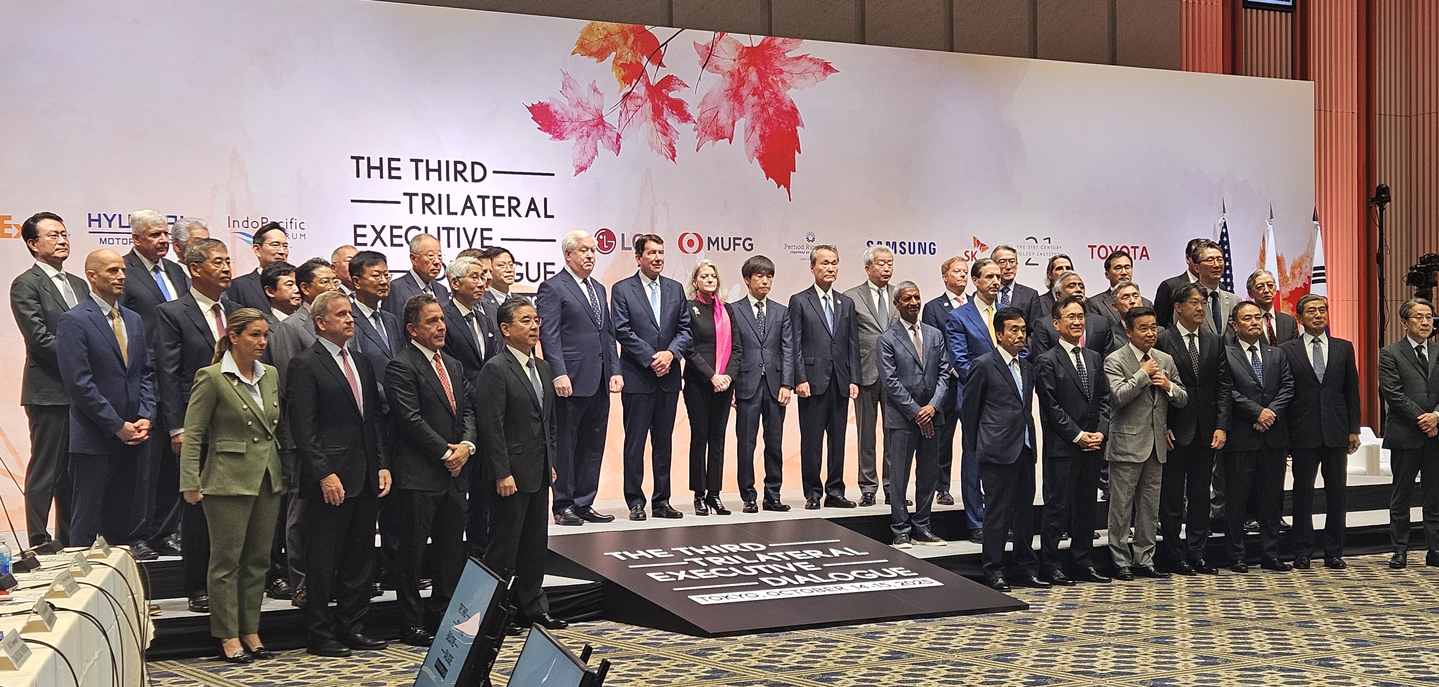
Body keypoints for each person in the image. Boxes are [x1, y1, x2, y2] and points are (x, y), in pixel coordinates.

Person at [287, 291, 391, 657]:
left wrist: (380, 463)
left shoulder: (361, 361)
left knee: (359, 557)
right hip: (329, 478)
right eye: (342, 314)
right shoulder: (305, 364)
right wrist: (324, 474)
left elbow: (373, 420)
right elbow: (304, 427)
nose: (350, 319)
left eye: (351, 313)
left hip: (364, 474)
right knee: (323, 558)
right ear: (321, 322)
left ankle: (352, 626)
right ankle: (319, 632)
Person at [177, 308, 283, 664]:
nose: (262, 342)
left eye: (265, 335)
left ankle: (250, 628)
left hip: (267, 477)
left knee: (258, 560)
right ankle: (227, 634)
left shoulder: (270, 375)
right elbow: (193, 435)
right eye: (254, 335)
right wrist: (190, 480)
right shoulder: (211, 377)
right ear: (233, 336)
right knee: (226, 562)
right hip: (226, 479)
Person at [385, 294, 476, 648]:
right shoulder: (401, 366)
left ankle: (443, 617)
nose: (441, 326)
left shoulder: (452, 364)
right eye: (432, 322)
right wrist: (445, 452)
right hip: (418, 475)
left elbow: (468, 410)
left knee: (451, 551)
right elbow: (409, 420)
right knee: (411, 554)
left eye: (442, 320)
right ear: (412, 329)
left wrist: (466, 447)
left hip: (455, 474)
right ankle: (411, 623)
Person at [157, 238, 241, 614]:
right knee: (198, 507)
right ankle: (198, 586)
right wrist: (178, 427)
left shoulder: (240, 312)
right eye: (217, 262)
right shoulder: (173, 313)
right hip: (199, 427)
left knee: (238, 509)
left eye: (228, 261)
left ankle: (235, 584)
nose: (226, 268)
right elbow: (169, 374)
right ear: (195, 269)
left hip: (239, 428)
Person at [478, 297, 567, 632]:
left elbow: (550, 423)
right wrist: (502, 471)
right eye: (526, 321)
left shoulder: (542, 367)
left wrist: (551, 461)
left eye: (536, 321)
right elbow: (491, 426)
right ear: (505, 328)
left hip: (538, 470)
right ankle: (494, 615)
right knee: (503, 548)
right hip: (510, 474)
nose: (534, 327)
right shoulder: (496, 368)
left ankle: (532, 607)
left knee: (534, 545)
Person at [57, 249, 156, 548]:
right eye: (112, 270)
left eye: (123, 270)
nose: (121, 276)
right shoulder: (74, 320)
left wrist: (145, 416)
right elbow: (79, 384)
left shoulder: (133, 319)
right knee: (86, 522)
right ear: (92, 276)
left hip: (134, 435)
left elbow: (146, 373)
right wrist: (116, 425)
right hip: (95, 438)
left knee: (122, 522)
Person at [263, 257, 338, 603]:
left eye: (335, 280)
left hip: (336, 438)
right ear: (306, 288)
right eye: (325, 281)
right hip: (300, 437)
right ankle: (301, 580)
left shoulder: (340, 325)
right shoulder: (292, 327)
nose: (333, 286)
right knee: (299, 513)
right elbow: (288, 387)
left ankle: (327, 577)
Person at [536, 231, 622, 525]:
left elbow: (607, 334)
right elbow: (549, 335)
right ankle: (563, 505)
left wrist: (615, 370)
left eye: (593, 251)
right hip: (569, 379)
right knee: (566, 443)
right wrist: (558, 371)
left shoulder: (598, 288)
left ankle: (585, 501)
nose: (590, 255)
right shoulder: (552, 288)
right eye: (584, 250)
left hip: (598, 378)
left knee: (593, 443)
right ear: (568, 255)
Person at [120, 210, 193, 560]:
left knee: (172, 463)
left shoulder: (177, 272)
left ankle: (166, 531)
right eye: (154, 235)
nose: (163, 240)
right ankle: (137, 535)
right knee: (145, 467)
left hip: (179, 379)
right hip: (145, 379)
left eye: (165, 234)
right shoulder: (125, 272)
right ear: (136, 239)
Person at [13, 213, 87, 548]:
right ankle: (39, 540)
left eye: (64, 233)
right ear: (33, 243)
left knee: (74, 472)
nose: (62, 240)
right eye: (53, 235)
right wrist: (84, 360)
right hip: (49, 391)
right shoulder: (25, 284)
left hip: (83, 392)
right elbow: (40, 339)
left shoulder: (80, 284)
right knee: (47, 468)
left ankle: (71, 539)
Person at [1103, 306, 1187, 581]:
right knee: (1121, 507)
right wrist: (1142, 374)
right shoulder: (1115, 360)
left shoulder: (1165, 359)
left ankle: (1145, 559)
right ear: (1129, 332)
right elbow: (1118, 396)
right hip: (1126, 444)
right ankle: (1120, 560)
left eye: (1153, 327)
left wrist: (1168, 387)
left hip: (1157, 444)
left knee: (1150, 507)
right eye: (1144, 328)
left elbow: (1182, 397)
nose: (1151, 333)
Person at [963, 307, 1043, 591]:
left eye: (1023, 330)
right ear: (999, 334)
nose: (1020, 335)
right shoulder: (983, 364)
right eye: (1014, 330)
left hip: (1024, 447)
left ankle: (1025, 568)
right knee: (996, 514)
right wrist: (979, 446)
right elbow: (970, 410)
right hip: (996, 450)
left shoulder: (1027, 366)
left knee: (1024, 512)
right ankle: (993, 571)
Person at [1154, 282, 1231, 576]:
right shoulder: (1164, 339)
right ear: (1178, 307)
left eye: (1203, 304)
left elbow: (1223, 387)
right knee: (1173, 497)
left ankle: (1198, 552)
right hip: (1175, 430)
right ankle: (1175, 554)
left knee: (1201, 495)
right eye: (1194, 304)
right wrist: (1162, 427)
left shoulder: (1214, 341)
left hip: (1207, 430)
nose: (1200, 309)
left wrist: (1222, 426)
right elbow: (1157, 391)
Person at [612, 234, 691, 520]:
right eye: (651, 253)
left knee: (663, 442)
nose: (658, 258)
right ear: (638, 257)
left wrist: (670, 355)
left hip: (668, 378)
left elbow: (685, 329)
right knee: (634, 443)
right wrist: (651, 358)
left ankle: (662, 501)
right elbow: (622, 330)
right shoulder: (622, 290)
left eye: (661, 252)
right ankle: (635, 501)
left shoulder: (675, 288)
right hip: (638, 378)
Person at [1035, 295, 1113, 585]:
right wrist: (1078, 436)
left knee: (1086, 507)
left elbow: (1105, 399)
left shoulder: (1093, 357)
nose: (1078, 321)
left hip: (1093, 445)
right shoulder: (1047, 360)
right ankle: (1051, 564)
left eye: (1081, 316)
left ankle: (1083, 562)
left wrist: (1101, 432)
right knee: (1057, 508)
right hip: (1063, 447)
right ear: (1056, 323)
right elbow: (1051, 407)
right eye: (1071, 317)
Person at [1281, 294, 1360, 570]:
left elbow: (1351, 391)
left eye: (1323, 310)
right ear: (1300, 318)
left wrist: (1353, 429)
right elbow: (1286, 395)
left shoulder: (1343, 348)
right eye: (1312, 311)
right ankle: (1302, 551)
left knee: (1336, 492)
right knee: (1302, 493)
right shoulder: (1287, 350)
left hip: (1337, 431)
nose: (1318, 315)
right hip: (1302, 431)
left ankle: (1334, 551)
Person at [1221, 301, 1294, 572]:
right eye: (1247, 318)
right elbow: (1226, 390)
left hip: (1273, 437)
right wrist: (1256, 413)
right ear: (1235, 325)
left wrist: (1270, 413)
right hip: (1242, 436)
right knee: (1237, 499)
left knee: (1272, 499)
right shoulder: (1226, 354)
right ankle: (1236, 555)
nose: (1254, 322)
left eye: (1257, 318)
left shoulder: (1277, 354)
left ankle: (1270, 553)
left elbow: (1288, 386)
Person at [878, 282, 951, 548]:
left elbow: (945, 374)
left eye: (917, 297)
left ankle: (922, 527)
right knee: (899, 476)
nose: (913, 302)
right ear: (897, 304)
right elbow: (890, 381)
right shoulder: (887, 339)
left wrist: (932, 407)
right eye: (907, 298)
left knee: (929, 475)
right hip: (902, 419)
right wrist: (917, 412)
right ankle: (900, 529)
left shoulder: (935, 335)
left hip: (933, 416)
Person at [789, 245, 860, 510]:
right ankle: (813, 492)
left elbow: (852, 344)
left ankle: (835, 491)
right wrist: (799, 377)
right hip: (812, 380)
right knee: (812, 439)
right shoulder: (800, 300)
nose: (830, 268)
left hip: (840, 381)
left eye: (834, 263)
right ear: (812, 268)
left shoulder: (846, 302)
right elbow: (794, 343)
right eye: (824, 263)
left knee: (838, 440)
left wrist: (854, 378)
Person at [443, 256, 501, 555]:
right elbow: (452, 370)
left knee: (485, 492)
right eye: (475, 277)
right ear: (455, 283)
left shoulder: (487, 315)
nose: (483, 282)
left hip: (490, 413)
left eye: (484, 277)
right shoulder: (443, 318)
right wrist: (477, 398)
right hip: (460, 414)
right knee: (460, 493)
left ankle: (482, 552)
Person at [1377, 298, 1439, 570]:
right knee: (1401, 495)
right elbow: (1393, 394)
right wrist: (1422, 418)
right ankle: (1399, 550)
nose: (1426, 322)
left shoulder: (1438, 350)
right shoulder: (1390, 353)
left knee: (1434, 495)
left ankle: (1434, 549)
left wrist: (1437, 416)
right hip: (1406, 433)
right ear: (1404, 322)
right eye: (1419, 317)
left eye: (1429, 317)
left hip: (1436, 434)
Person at [946, 257, 1004, 541]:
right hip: (976, 400)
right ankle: (975, 522)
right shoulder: (960, 317)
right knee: (974, 462)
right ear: (976, 281)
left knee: (1003, 463)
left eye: (998, 276)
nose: (996, 281)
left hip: (1006, 404)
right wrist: (995, 384)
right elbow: (961, 361)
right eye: (989, 276)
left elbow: (1021, 352)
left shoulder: (1007, 314)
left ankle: (999, 520)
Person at [731, 256, 793, 513]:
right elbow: (731, 351)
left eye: (769, 276)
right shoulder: (733, 310)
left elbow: (788, 349)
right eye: (759, 276)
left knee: (775, 442)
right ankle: (748, 496)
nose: (765, 281)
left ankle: (773, 495)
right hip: (746, 383)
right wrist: (732, 386)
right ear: (747, 280)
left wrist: (787, 384)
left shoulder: (781, 311)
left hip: (776, 385)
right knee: (746, 443)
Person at [683, 260, 742, 515]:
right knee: (700, 437)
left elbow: (738, 349)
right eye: (704, 276)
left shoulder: (727, 311)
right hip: (698, 382)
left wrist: (727, 376)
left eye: (713, 276)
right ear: (695, 281)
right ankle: (698, 494)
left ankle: (714, 494)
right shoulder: (688, 309)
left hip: (724, 384)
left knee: (718, 439)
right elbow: (688, 347)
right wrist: (711, 376)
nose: (710, 280)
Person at [843, 246, 898, 506]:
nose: (887, 268)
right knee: (866, 435)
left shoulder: (901, 295)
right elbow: (847, 341)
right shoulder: (851, 297)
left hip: (896, 375)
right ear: (868, 268)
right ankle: (868, 488)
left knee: (893, 433)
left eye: (890, 263)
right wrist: (851, 376)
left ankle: (892, 486)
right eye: (881, 264)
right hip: (865, 373)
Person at [922, 256, 967, 506]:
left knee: (973, 437)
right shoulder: (933, 307)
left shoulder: (975, 304)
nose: (962, 275)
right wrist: (952, 368)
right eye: (957, 271)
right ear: (945, 276)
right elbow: (933, 345)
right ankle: (942, 487)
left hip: (973, 382)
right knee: (944, 437)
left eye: (965, 271)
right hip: (949, 382)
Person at [348, 251, 405, 402]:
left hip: (400, 406)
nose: (384, 281)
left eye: (386, 275)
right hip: (371, 405)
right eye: (376, 276)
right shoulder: (348, 320)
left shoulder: (390, 319)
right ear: (357, 282)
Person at [1026, 272, 1111, 356]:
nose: (1078, 289)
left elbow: (1107, 359)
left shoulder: (1101, 323)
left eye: (1081, 286)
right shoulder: (1044, 325)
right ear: (1058, 295)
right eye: (1071, 286)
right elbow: (1042, 360)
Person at [384, 234, 450, 321]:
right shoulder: (396, 289)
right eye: (430, 256)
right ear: (413, 258)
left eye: (439, 256)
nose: (437, 261)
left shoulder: (442, 290)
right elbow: (394, 327)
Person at [225, 222, 288, 311]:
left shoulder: (296, 283)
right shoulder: (239, 286)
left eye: (285, 246)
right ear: (257, 250)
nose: (282, 251)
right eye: (275, 245)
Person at [1087, 250, 1151, 329]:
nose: (1124, 272)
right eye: (1118, 268)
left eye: (1127, 267)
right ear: (1107, 274)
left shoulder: (1147, 303)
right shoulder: (1095, 304)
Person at [1151, 238, 1207, 329]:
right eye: (1197, 257)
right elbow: (1160, 324)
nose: (1201, 262)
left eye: (1206, 259)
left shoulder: (1219, 288)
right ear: (1188, 258)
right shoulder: (1170, 286)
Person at [1234, 269, 1297, 345]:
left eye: (1270, 285)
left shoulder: (1289, 321)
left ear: (1275, 290)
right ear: (1250, 293)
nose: (1266, 290)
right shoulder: (1245, 322)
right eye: (1260, 287)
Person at [989, 245, 1042, 327]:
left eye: (1012, 261)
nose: (1008, 267)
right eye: (1003, 262)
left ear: (1017, 264)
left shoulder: (1030, 295)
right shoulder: (985, 293)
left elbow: (1035, 330)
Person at [1105, 282, 1146, 353]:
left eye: (1136, 296)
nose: (1132, 301)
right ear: (1115, 306)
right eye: (1126, 298)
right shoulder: (1111, 334)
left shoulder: (1159, 331)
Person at [1033, 254, 1074, 323]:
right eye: (1059, 268)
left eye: (1068, 268)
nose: (1065, 271)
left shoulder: (1084, 302)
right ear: (1049, 275)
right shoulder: (1039, 303)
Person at [260, 261, 300, 329]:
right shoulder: (264, 327)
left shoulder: (310, 322)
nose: (297, 290)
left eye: (298, 284)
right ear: (270, 291)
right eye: (289, 285)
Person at [483, 246, 518, 316]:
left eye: (511, 265)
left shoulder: (522, 301)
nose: (509, 270)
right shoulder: (481, 301)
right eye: (501, 265)